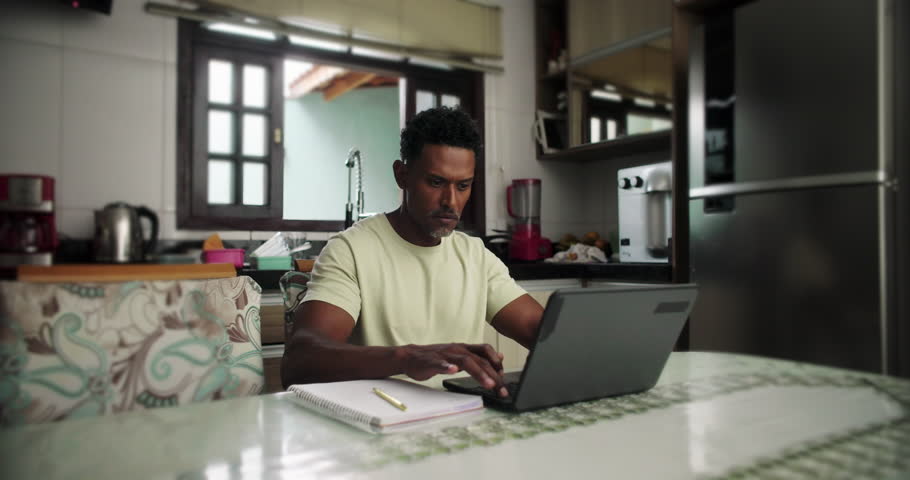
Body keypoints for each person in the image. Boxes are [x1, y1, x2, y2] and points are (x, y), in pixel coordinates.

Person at [281, 106, 544, 397]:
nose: (451, 201)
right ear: (402, 175)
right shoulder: (351, 250)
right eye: (436, 182)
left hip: (462, 421)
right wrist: (406, 358)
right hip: (379, 424)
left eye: (463, 185)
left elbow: (541, 331)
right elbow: (299, 362)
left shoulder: (475, 256)